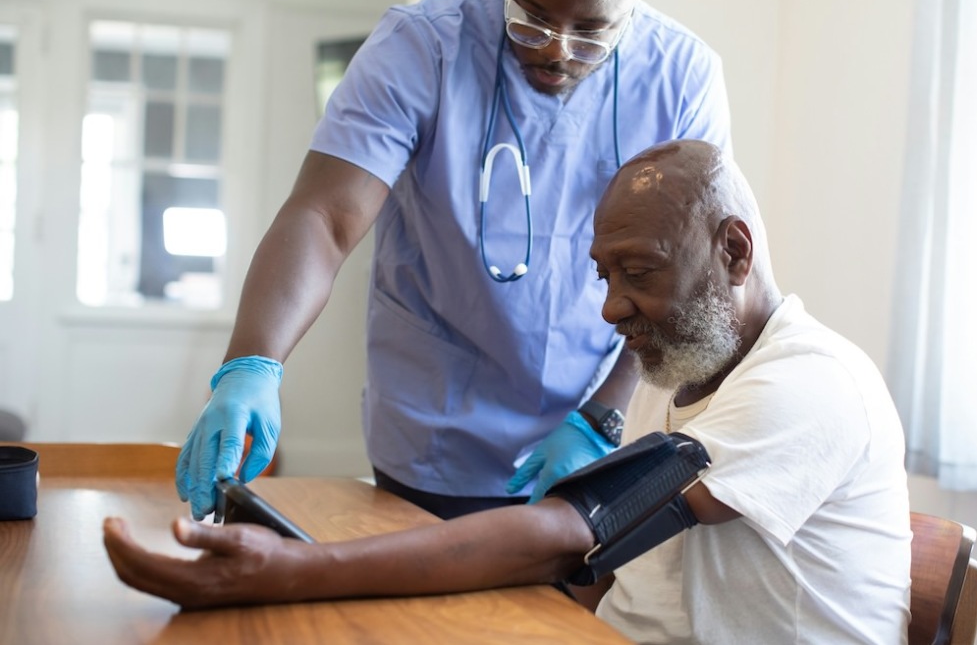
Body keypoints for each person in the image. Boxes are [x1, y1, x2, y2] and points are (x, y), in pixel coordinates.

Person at [107, 139, 912, 644]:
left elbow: (574, 532)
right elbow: (598, 565)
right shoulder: (682, 376)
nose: (610, 307)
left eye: (638, 272)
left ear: (734, 251)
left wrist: (293, 572)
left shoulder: (810, 385)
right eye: (604, 276)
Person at [174, 0, 733, 522]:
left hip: (595, 424)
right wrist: (253, 364)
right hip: (432, 431)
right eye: (532, 17)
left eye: (592, 33)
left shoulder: (683, 78)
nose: (554, 50)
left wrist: (604, 417)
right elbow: (325, 217)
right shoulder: (421, 45)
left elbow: (687, 282)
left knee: (556, 610)